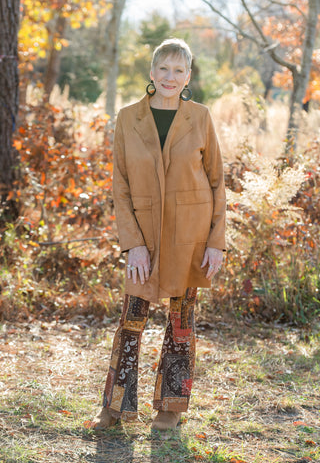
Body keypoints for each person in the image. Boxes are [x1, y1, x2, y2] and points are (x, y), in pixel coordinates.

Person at [92, 38, 226, 431]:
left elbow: (218, 182)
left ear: (188, 76)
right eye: (163, 69)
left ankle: (170, 408)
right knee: (131, 319)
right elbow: (120, 186)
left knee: (181, 322)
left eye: (179, 70)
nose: (170, 77)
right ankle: (114, 408)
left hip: (191, 235)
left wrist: (216, 241)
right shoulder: (128, 118)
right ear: (152, 73)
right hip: (144, 236)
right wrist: (132, 243)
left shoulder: (200, 117)